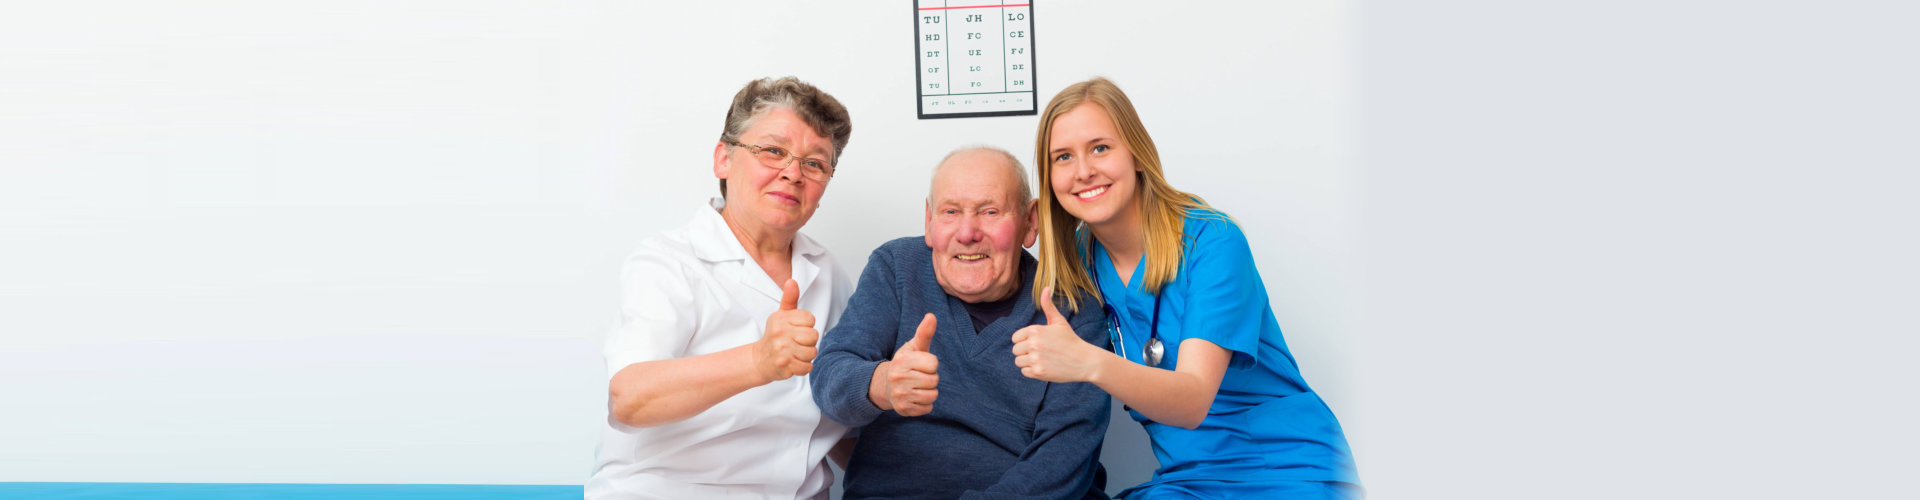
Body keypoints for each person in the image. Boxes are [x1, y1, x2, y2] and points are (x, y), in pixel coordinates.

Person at [1010, 77, 1363, 498]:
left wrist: (1086, 361)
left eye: (1100, 148)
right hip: (1189, 480)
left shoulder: (1212, 241)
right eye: (1063, 157)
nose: (1083, 171)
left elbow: (1193, 399)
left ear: (1137, 154)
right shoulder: (1078, 261)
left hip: (1285, 467)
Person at [588, 76, 855, 499]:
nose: (792, 173)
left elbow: (834, 423)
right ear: (723, 160)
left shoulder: (829, 274)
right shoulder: (668, 261)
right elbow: (630, 398)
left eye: (815, 163)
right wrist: (758, 361)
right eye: (773, 151)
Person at [810, 147, 1113, 500]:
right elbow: (829, 379)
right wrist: (883, 384)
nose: (967, 233)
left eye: (990, 211)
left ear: (1030, 222)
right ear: (929, 220)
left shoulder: (1072, 309)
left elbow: (1064, 463)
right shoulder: (896, 269)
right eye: (951, 212)